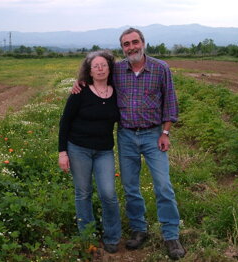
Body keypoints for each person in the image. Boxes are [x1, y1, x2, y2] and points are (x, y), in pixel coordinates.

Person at [72, 28, 186, 260]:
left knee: (163, 185)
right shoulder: (117, 71)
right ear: (122, 48)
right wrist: (80, 82)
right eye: (126, 44)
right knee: (130, 187)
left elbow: (170, 103)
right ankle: (138, 228)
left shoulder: (160, 68)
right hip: (126, 135)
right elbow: (97, 76)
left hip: (153, 135)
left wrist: (165, 132)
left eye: (135, 42)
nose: (131, 47)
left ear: (143, 43)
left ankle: (171, 234)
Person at [58, 50, 121, 254]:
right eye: (96, 66)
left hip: (104, 151)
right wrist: (62, 152)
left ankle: (112, 236)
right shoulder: (80, 91)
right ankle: (87, 235)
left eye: (104, 65)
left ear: (110, 68)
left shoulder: (117, 92)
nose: (100, 69)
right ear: (90, 71)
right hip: (78, 149)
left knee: (108, 193)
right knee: (83, 192)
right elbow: (65, 122)